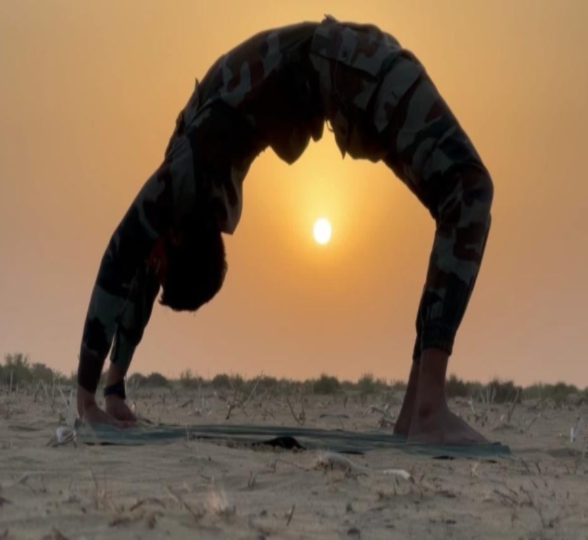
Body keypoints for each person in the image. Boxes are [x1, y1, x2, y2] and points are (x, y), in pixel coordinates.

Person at [76, 16, 494, 445]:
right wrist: (113, 388)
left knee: (465, 191)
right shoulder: (185, 187)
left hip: (347, 62)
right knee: (464, 192)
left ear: (176, 236)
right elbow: (138, 270)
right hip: (347, 69)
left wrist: (87, 399)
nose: (151, 264)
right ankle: (421, 411)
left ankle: (422, 410)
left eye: (157, 262)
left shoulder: (184, 174)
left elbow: (121, 257)